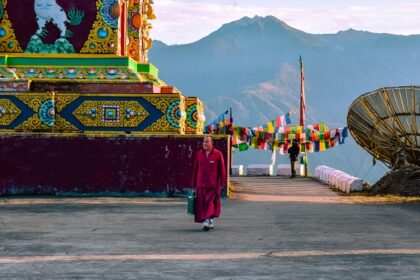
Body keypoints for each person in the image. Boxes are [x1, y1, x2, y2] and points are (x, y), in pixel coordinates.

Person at [191, 135, 226, 231]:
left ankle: (206, 220)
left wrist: (222, 182)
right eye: (203, 142)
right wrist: (193, 182)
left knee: (209, 202)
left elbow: (222, 169)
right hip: (200, 184)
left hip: (213, 184)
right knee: (202, 203)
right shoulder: (199, 154)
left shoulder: (217, 154)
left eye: (207, 142)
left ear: (212, 143)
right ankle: (209, 220)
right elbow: (195, 169)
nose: (205, 144)